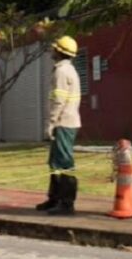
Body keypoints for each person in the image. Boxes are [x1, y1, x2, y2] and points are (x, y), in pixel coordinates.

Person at [35, 35, 81, 215]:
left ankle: (66, 203)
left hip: (63, 123)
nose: (52, 51)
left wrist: (51, 123)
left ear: (59, 52)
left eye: (55, 48)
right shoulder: (68, 70)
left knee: (64, 162)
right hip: (66, 121)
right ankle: (54, 198)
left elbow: (59, 101)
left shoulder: (61, 72)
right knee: (55, 163)